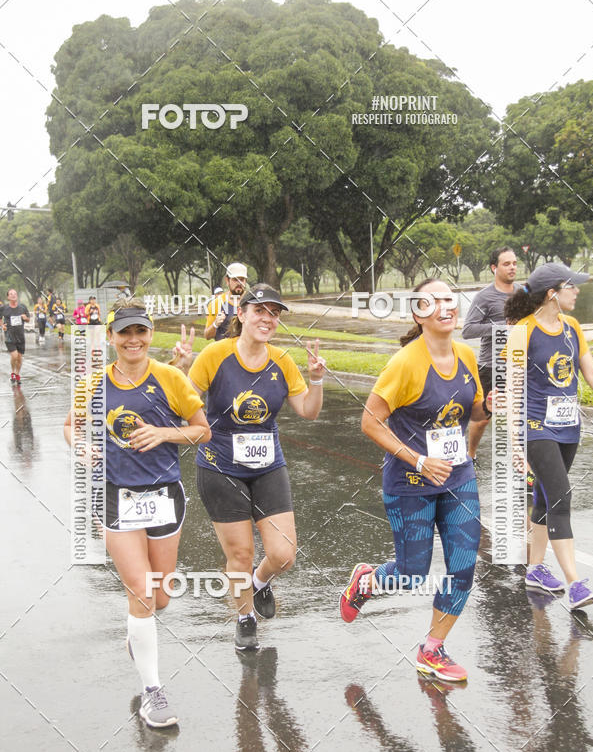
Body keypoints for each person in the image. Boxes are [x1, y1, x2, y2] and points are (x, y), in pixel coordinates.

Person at [63, 295, 211, 728]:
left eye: (140, 331)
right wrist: (83, 446)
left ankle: (138, 635)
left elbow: (202, 431)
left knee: (159, 597)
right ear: (110, 337)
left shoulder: (169, 378)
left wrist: (163, 433)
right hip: (115, 498)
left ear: (150, 335)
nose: (133, 339)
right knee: (143, 591)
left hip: (165, 496)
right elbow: (71, 427)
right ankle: (153, 692)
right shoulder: (92, 384)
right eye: (123, 332)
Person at [340, 279, 493, 682]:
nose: (446, 306)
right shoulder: (406, 362)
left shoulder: (464, 354)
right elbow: (369, 421)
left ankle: (432, 649)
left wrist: (489, 405)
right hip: (410, 482)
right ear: (418, 314)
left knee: (463, 563)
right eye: (434, 301)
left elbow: (473, 412)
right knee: (413, 573)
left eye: (449, 299)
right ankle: (367, 581)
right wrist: (419, 459)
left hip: (457, 477)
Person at [175, 284, 326, 651]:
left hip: (267, 465)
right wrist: (179, 367)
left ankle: (259, 582)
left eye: (274, 313)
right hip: (219, 467)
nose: (267, 319)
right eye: (259, 310)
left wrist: (317, 378)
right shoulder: (215, 355)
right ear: (240, 314)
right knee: (239, 554)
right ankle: (244, 617)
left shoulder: (282, 361)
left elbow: (308, 410)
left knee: (283, 554)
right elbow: (183, 407)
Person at [504, 262, 593, 610]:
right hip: (536, 428)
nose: (576, 290)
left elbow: (591, 373)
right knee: (561, 496)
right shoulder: (521, 333)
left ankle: (535, 569)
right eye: (570, 286)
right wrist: (514, 439)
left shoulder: (573, 327)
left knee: (545, 500)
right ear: (552, 294)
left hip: (568, 428)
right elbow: (513, 390)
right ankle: (574, 583)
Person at [463, 247, 518, 461]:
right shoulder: (484, 297)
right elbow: (468, 330)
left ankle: (525, 468)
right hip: (491, 366)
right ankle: (470, 456)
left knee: (521, 416)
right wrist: (501, 328)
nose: (512, 267)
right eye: (506, 263)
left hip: (520, 364)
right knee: (484, 417)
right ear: (494, 268)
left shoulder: (524, 293)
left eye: (514, 263)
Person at [204, 263, 248, 341]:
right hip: (224, 352)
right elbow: (207, 336)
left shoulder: (253, 302)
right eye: (235, 279)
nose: (239, 283)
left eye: (242, 279)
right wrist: (215, 324)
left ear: (245, 281)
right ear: (227, 280)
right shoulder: (216, 304)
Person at [2, 288, 30, 383]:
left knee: (19, 357)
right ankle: (13, 372)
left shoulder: (22, 307)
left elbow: (28, 319)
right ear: (8, 297)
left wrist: (25, 318)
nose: (13, 295)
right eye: (11, 294)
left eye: (15, 294)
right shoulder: (4, 308)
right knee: (14, 356)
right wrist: (2, 325)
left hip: (20, 336)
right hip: (9, 335)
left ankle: (17, 374)